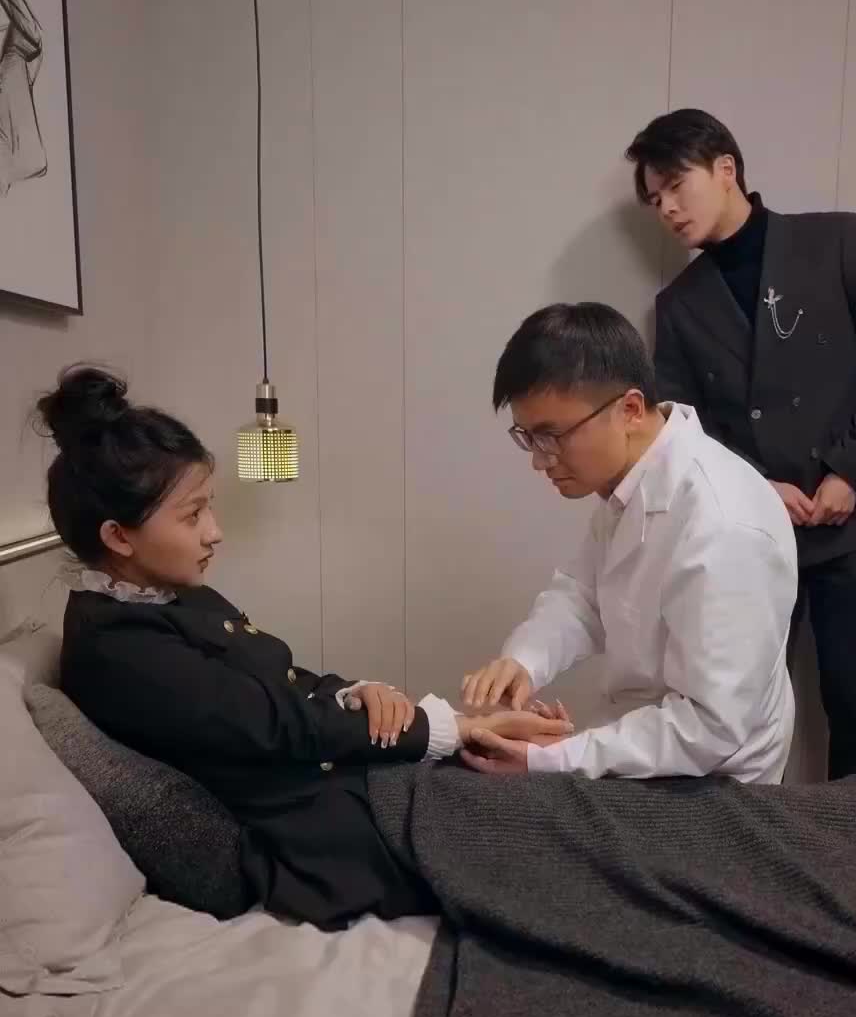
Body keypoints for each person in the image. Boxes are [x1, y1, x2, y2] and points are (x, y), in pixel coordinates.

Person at [37, 367, 571, 929]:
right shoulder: (117, 650)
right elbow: (275, 723)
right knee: (556, 830)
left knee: (555, 784)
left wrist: (357, 693)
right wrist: (454, 728)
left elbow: (283, 681)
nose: (214, 531)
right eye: (193, 515)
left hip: (343, 786)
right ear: (118, 536)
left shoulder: (166, 596)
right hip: (316, 841)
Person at [626, 109, 856, 780]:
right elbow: (683, 430)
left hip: (854, 518)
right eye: (654, 199)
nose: (666, 208)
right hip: (752, 531)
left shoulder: (835, 241)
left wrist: (848, 471)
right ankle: (750, 843)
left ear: (725, 168)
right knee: (741, 713)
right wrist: (758, 486)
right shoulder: (678, 305)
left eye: (675, 185)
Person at [460, 302, 797, 783]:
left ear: (630, 410)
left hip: (714, 786)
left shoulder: (723, 523)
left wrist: (559, 758)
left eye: (552, 436)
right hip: (648, 750)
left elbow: (709, 728)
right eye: (528, 438)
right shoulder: (630, 483)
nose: (539, 460)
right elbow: (582, 598)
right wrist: (524, 661)